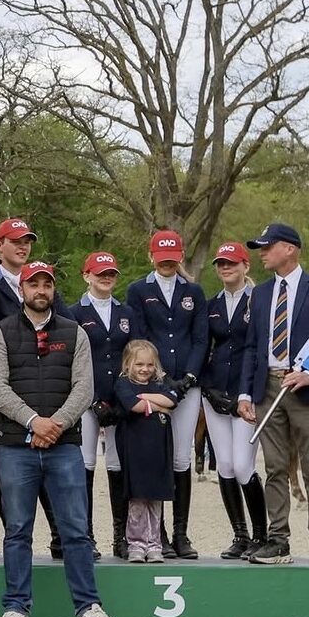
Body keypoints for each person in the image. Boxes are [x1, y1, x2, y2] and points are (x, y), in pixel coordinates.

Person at [0, 261, 117, 617]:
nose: (40, 290)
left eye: (47, 284)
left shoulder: (75, 333)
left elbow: (84, 388)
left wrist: (54, 423)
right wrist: (33, 422)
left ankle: (89, 606)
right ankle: (16, 606)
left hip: (63, 445)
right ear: (22, 289)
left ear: (54, 289)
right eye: (33, 284)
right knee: (17, 530)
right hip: (15, 446)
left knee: (76, 530)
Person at [236, 223, 309, 567]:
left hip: (306, 388)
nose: (261, 253)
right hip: (267, 387)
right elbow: (252, 347)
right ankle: (278, 540)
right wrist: (245, 394)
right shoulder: (261, 293)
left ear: (290, 249)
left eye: (267, 247)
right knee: (275, 466)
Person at [0, 217, 71, 557]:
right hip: (4, 383)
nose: (22, 246)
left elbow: (65, 329)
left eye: (27, 241)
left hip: (45, 385)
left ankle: (59, 535)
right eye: (15, 240)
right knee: (5, 461)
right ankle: (14, 536)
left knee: (50, 455)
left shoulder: (46, 286)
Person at [125, 229, 208, 559]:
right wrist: (158, 379)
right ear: (151, 257)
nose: (167, 264)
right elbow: (140, 338)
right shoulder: (138, 290)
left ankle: (181, 533)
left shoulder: (194, 292)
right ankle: (153, 534)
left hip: (187, 384)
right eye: (162, 259)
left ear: (181, 257)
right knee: (154, 456)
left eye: (173, 259)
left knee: (181, 458)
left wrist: (188, 377)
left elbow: (200, 338)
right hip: (153, 384)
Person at [70, 251, 140, 560]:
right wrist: (92, 398)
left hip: (119, 400)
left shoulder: (126, 312)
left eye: (111, 272)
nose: (106, 277)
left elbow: (135, 355)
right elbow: (73, 359)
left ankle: (121, 536)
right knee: (85, 465)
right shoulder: (74, 312)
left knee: (117, 465)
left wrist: (124, 396)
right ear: (87, 275)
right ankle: (86, 534)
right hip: (86, 399)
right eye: (100, 273)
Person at [202, 241, 267, 559]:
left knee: (243, 465)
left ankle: (260, 534)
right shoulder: (211, 303)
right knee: (225, 465)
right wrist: (207, 388)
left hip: (247, 393)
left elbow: (259, 351)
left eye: (232, 263)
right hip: (215, 392)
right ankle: (239, 536)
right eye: (221, 264)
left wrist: (250, 392)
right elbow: (204, 345)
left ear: (245, 266)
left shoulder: (259, 301)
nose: (226, 268)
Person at [113, 340, 178, 563]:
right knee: (138, 499)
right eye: (139, 364)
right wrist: (158, 407)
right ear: (128, 364)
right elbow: (133, 405)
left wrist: (148, 398)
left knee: (155, 498)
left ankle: (154, 544)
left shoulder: (159, 382)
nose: (145, 369)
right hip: (135, 450)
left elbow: (172, 399)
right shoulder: (123, 384)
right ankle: (136, 544)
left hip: (158, 450)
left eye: (150, 365)